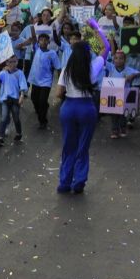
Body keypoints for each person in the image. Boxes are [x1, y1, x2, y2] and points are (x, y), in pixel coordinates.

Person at [55, 20, 110, 194]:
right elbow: (106, 47)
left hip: (69, 107)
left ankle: (64, 182)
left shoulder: (66, 69)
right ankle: (79, 180)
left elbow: (58, 93)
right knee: (83, 146)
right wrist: (96, 27)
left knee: (68, 146)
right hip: (87, 107)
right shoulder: (92, 68)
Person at [28, 32, 61, 129]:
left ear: (48, 42)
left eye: (45, 40)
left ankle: (43, 121)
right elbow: (33, 36)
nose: (43, 41)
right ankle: (42, 109)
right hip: (35, 81)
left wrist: (60, 82)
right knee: (34, 99)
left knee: (42, 101)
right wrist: (31, 24)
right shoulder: (36, 49)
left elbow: (58, 67)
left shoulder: (52, 53)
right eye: (41, 39)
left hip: (46, 82)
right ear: (38, 41)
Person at [104, 50, 140, 139]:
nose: (118, 60)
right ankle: (114, 130)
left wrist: (132, 76)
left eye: (121, 58)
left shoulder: (128, 69)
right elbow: (103, 60)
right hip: (112, 95)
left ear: (125, 60)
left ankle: (123, 128)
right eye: (116, 58)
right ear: (113, 60)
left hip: (124, 95)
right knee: (113, 114)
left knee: (123, 114)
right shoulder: (111, 67)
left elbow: (139, 73)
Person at [0, 56, 28, 146]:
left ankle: (19, 133)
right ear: (6, 63)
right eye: (10, 62)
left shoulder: (19, 73)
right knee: (4, 117)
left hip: (15, 99)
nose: (12, 64)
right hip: (5, 99)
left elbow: (23, 85)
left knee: (16, 117)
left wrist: (21, 95)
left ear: (17, 62)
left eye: (14, 62)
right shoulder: (4, 73)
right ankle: (0, 137)